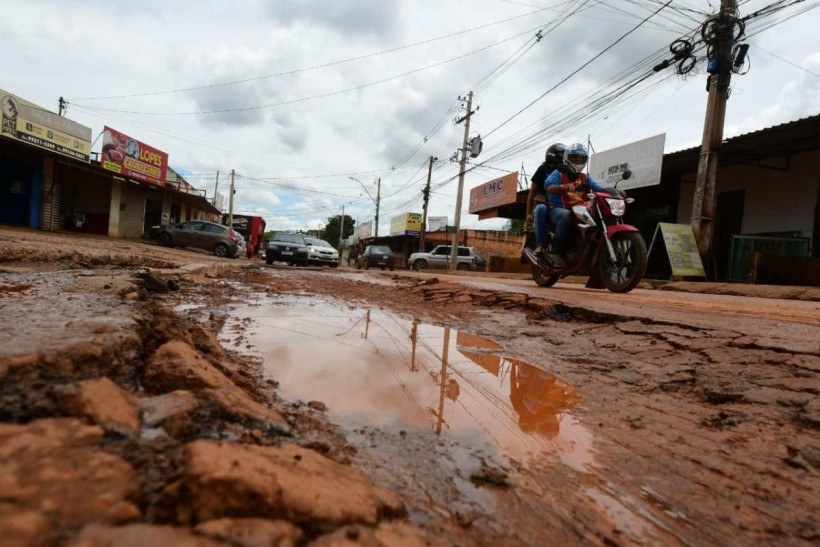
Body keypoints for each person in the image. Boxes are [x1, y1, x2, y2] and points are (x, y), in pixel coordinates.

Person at [534, 142, 605, 268]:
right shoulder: (559, 173)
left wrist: (614, 191)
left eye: (581, 158)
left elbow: (599, 188)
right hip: (557, 209)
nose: (578, 160)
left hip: (580, 211)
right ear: (567, 158)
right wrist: (563, 187)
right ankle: (556, 251)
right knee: (567, 215)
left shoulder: (585, 177)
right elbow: (549, 187)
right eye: (574, 157)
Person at [525, 142, 566, 233]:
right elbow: (531, 193)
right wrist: (528, 214)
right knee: (541, 209)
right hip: (543, 204)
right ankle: (541, 245)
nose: (564, 157)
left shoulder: (564, 171)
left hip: (559, 205)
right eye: (562, 154)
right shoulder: (543, 169)